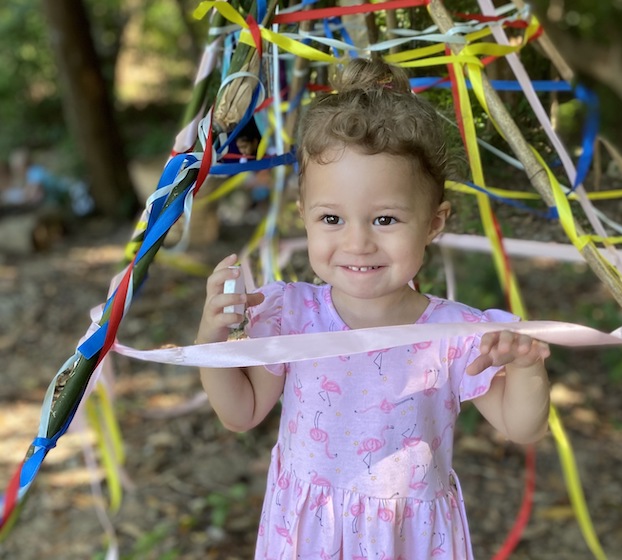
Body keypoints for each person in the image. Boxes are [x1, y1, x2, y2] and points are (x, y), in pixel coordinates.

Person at [196, 59, 551, 559]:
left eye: (385, 218)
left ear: (433, 222)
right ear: (304, 216)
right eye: (332, 218)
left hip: (407, 540)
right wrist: (212, 342)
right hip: (310, 537)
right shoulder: (293, 315)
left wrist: (527, 369)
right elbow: (241, 411)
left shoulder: (455, 333)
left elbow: (523, 427)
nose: (357, 242)